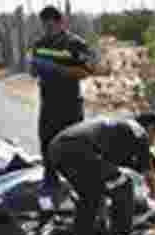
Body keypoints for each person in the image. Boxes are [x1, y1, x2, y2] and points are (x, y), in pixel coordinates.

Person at [48, 113, 155, 235]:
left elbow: (103, 183)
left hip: (56, 148)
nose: (154, 142)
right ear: (151, 128)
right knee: (125, 185)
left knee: (91, 194)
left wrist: (103, 219)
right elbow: (150, 177)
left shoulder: (118, 129)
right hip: (78, 148)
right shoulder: (139, 132)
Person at [30, 5, 108, 209]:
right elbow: (33, 71)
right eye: (44, 25)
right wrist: (35, 68)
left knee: (74, 145)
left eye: (51, 25)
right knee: (46, 142)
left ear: (60, 22)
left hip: (70, 103)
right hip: (48, 102)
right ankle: (50, 182)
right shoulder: (40, 44)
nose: (47, 29)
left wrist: (59, 69)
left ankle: (82, 188)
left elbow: (87, 70)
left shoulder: (75, 44)